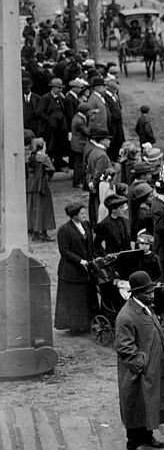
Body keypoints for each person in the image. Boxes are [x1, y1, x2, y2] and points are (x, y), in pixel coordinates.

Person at [114, 271, 164, 450]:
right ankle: (134, 442)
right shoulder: (126, 316)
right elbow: (124, 348)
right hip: (138, 372)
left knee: (148, 404)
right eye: (147, 292)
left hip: (151, 369)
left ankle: (147, 437)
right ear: (136, 293)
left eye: (151, 291)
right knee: (136, 405)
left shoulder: (145, 308)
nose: (151, 295)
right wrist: (142, 364)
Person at [55, 202, 97, 334]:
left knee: (87, 296)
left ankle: (87, 322)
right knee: (74, 299)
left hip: (86, 267)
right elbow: (65, 251)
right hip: (71, 270)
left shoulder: (86, 225)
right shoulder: (64, 230)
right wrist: (80, 261)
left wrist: (91, 259)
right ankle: (75, 326)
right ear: (74, 216)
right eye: (82, 213)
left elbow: (89, 244)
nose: (85, 215)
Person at [25, 137, 56, 242]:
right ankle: (43, 232)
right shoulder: (44, 157)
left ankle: (34, 231)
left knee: (32, 209)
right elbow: (51, 169)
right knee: (44, 209)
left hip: (30, 185)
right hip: (41, 186)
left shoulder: (28, 157)